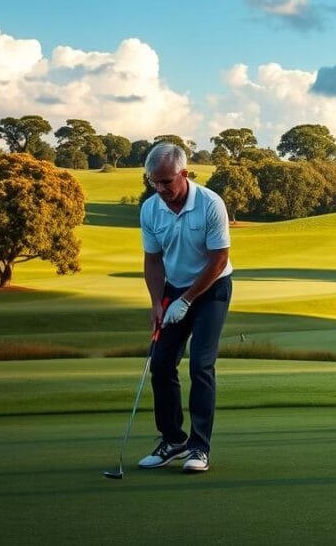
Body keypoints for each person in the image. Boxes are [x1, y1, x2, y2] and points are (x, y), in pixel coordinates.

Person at [137, 142, 233, 473]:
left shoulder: (210, 204)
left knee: (201, 365)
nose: (161, 189)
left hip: (213, 288)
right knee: (161, 363)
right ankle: (173, 440)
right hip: (173, 288)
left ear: (184, 173)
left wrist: (188, 300)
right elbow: (152, 260)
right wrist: (156, 302)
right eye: (154, 182)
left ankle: (199, 447)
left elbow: (219, 259)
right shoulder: (150, 209)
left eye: (166, 181)